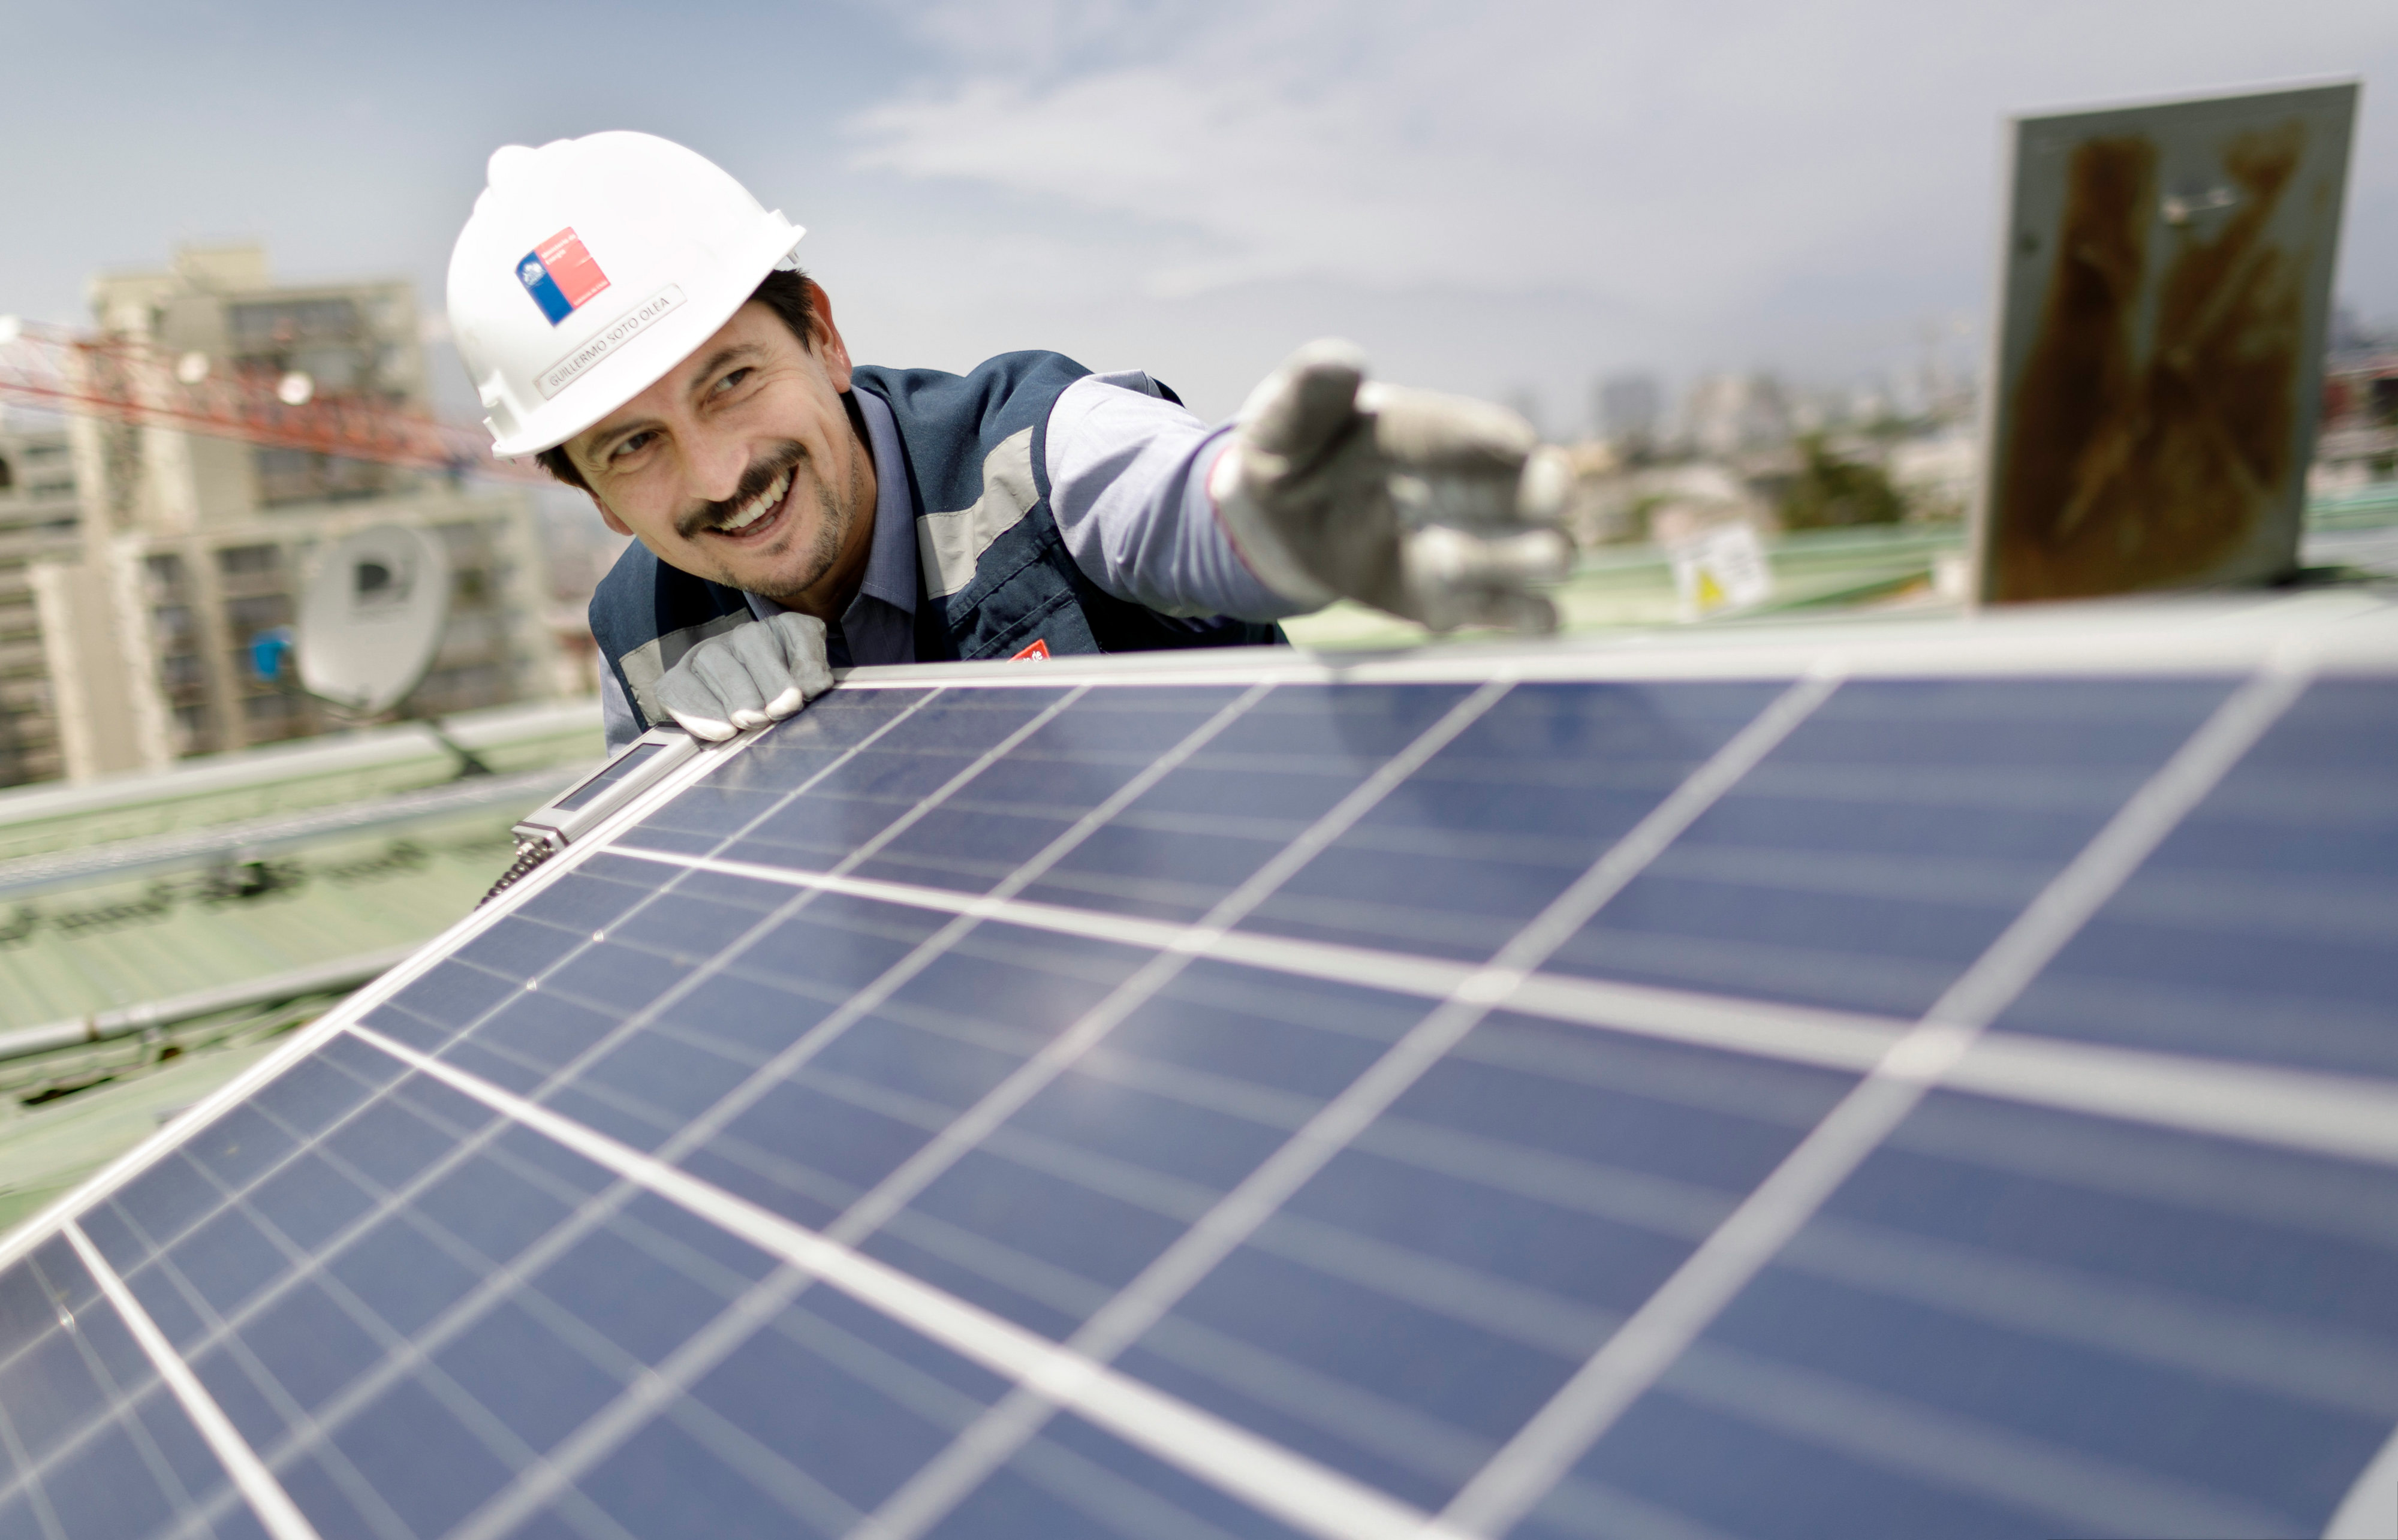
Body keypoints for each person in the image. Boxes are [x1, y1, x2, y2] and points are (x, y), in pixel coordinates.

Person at [445, 132, 1571, 753]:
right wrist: (697, 776)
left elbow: (1166, 495)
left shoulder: (1033, 450)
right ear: (592, 497)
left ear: (824, 338)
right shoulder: (641, 645)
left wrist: (1267, 524)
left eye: (732, 379)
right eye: (632, 445)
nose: (718, 474)